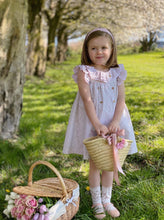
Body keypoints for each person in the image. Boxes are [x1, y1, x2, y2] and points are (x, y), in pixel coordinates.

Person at [63, 27, 138, 219]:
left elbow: (121, 100)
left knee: (110, 163)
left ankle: (107, 200)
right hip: (94, 121)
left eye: (104, 47)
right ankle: (97, 202)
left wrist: (114, 122)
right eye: (93, 48)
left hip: (113, 121)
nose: (99, 52)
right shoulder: (84, 72)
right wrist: (97, 124)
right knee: (96, 163)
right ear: (86, 51)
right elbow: (87, 100)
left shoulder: (117, 72)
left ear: (112, 49)